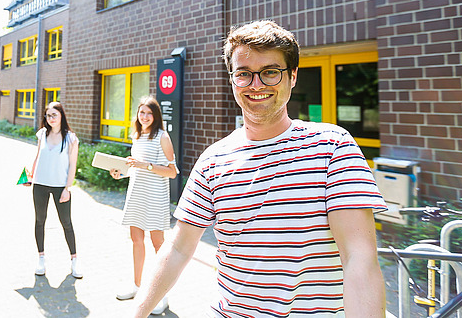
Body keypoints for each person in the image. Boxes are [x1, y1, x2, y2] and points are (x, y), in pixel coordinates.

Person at [133, 20, 387, 317]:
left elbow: (359, 259)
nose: (257, 85)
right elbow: (177, 248)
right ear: (232, 79)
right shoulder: (213, 160)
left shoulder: (333, 147)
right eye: (244, 74)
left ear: (292, 77)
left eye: (270, 72)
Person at [110, 96, 178, 314]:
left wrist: (145, 165)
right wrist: (120, 174)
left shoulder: (162, 137)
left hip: (156, 196)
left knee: (159, 244)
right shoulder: (137, 136)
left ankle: (162, 295)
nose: (145, 117)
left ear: (155, 115)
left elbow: (172, 171)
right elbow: (134, 168)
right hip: (136, 194)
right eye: (141, 113)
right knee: (136, 240)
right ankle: (137, 286)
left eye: (149, 113)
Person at [24, 101, 82, 279]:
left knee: (66, 223)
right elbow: (38, 156)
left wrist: (67, 188)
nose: (50, 119)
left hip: (60, 187)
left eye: (54, 115)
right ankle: (41, 259)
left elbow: (72, 165)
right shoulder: (42, 133)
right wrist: (30, 176)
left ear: (61, 116)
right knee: (39, 220)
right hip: (40, 184)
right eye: (48, 116)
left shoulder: (71, 138)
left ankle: (74, 260)